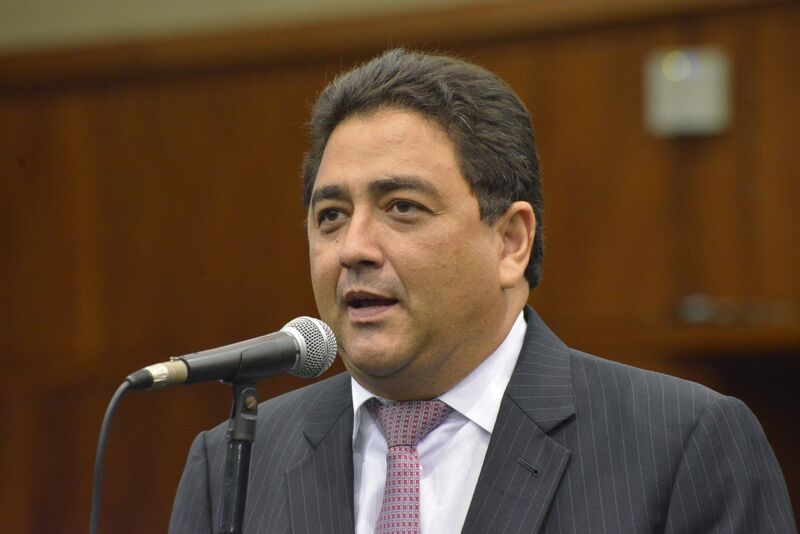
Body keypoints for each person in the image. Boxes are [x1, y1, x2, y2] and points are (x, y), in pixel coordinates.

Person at [169, 49, 796, 533]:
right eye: (330, 215)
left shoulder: (681, 444)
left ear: (510, 242)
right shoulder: (232, 464)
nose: (353, 247)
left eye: (402, 206)